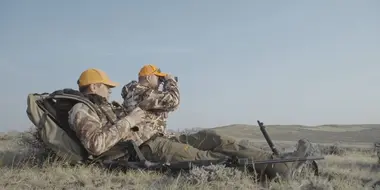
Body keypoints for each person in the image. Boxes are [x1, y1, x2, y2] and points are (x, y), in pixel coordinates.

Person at [120, 64, 314, 180]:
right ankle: (277, 170)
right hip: (151, 146)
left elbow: (168, 105)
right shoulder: (137, 91)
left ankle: (276, 162)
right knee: (206, 157)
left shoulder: (147, 93)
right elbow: (174, 100)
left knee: (213, 138)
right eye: (158, 78)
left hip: (163, 139)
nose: (161, 81)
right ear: (147, 77)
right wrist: (171, 81)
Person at [67, 68, 146, 156]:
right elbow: (95, 146)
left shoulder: (98, 107)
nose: (110, 91)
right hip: (113, 159)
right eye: (107, 87)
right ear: (93, 87)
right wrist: (129, 121)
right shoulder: (82, 109)